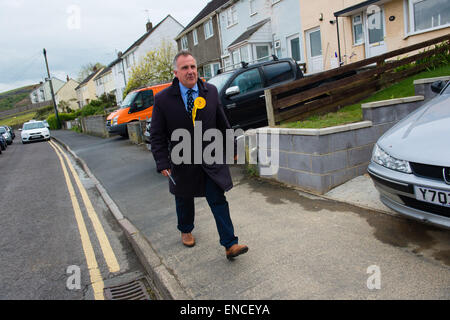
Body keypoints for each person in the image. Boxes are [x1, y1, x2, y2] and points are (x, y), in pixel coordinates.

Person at [149, 51, 248, 260]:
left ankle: (230, 244)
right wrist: (162, 161)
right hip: (181, 158)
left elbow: (222, 123)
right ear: (176, 73)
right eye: (185, 68)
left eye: (193, 67)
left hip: (210, 157)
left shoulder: (210, 91)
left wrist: (233, 149)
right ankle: (185, 229)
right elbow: (157, 135)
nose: (191, 71)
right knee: (184, 198)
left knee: (217, 198)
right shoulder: (163, 100)